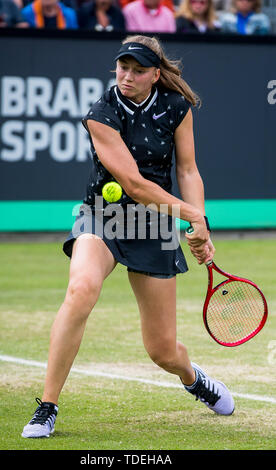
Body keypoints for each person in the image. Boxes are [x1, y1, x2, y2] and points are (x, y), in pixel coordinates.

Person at [21, 34, 234, 439]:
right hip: (102, 217)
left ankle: (193, 378)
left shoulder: (176, 108)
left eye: (138, 70)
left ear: (156, 74)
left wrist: (199, 223)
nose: (127, 76)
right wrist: (191, 215)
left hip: (153, 226)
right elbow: (133, 184)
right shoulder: (101, 112)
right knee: (80, 289)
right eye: (123, 67)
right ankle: (47, 407)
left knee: (162, 351)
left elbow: (187, 170)